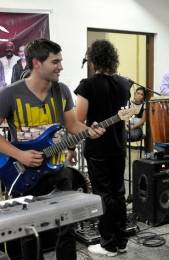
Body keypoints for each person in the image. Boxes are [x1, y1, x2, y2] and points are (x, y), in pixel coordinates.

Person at [0, 38, 105, 260]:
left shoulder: (62, 90)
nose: (61, 66)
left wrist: (89, 130)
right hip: (24, 172)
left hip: (58, 169)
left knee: (67, 228)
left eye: (61, 61)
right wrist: (19, 155)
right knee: (29, 232)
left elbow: (72, 125)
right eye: (55, 61)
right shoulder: (10, 94)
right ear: (36, 63)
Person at [74, 39, 130, 257]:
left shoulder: (87, 85)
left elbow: (78, 122)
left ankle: (108, 244)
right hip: (118, 146)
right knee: (119, 193)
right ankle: (121, 240)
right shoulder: (124, 83)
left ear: (93, 59)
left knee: (103, 195)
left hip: (98, 149)